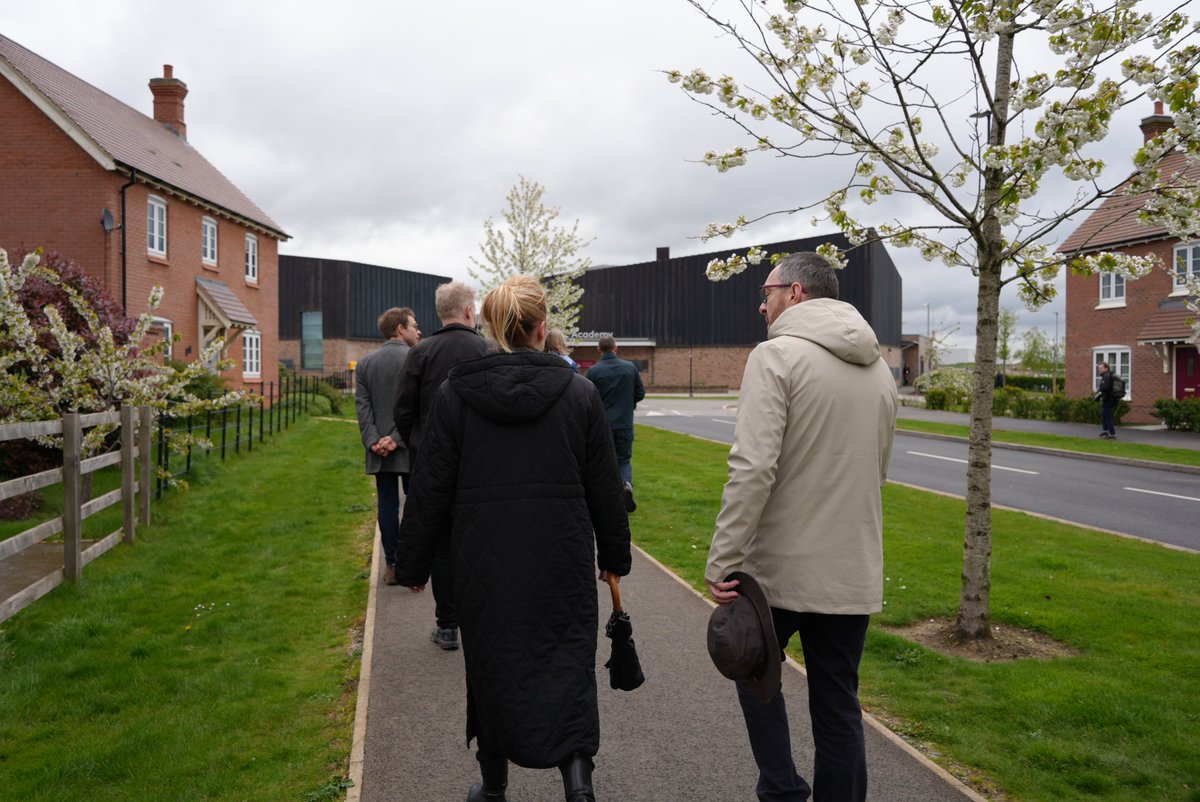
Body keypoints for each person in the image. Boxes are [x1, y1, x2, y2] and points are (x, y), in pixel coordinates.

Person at [394, 275, 631, 802]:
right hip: (562, 558)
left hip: (485, 562)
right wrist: (614, 557)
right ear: (543, 328)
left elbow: (430, 486)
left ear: (492, 327)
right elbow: (605, 488)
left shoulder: (457, 394)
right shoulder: (580, 393)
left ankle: (494, 784)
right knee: (567, 663)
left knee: (493, 665)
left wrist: (412, 566)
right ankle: (578, 782)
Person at [706, 252, 898, 802]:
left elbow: (752, 468)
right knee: (838, 701)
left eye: (765, 292)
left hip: (780, 570)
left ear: (794, 292)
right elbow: (878, 467)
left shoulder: (776, 357)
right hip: (851, 566)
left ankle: (782, 790)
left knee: (752, 671)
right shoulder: (879, 366)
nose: (759, 304)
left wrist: (723, 560)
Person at [394, 281, 489, 650]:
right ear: (469, 311)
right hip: (480, 464)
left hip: (431, 465)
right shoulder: (487, 350)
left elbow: (403, 410)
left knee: (443, 544)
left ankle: (448, 624)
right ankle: (481, 620)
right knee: (483, 542)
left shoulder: (421, 353)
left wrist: (419, 441)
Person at [354, 307, 420, 586]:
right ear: (400, 329)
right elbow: (418, 405)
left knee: (387, 505)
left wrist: (374, 440)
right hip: (410, 446)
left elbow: (362, 406)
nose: (419, 330)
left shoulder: (366, 363)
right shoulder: (416, 358)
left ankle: (391, 565)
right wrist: (397, 437)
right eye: (414, 325)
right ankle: (412, 565)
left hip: (379, 450)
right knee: (415, 506)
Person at [585, 334, 645, 513]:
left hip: (603, 425)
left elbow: (589, 398)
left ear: (599, 350)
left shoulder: (594, 371)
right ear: (615, 348)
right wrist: (628, 403)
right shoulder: (629, 368)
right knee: (624, 459)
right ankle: (626, 485)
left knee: (604, 461)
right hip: (624, 423)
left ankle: (608, 497)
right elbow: (640, 393)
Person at [1096, 361, 1117, 438]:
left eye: (1101, 368)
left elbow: (1105, 388)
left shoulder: (1106, 376)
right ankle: (1106, 431)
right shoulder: (1108, 375)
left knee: (1108, 416)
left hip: (1109, 399)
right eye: (1099, 368)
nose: (1099, 370)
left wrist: (1097, 396)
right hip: (1110, 398)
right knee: (1105, 415)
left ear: (1106, 368)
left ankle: (1111, 434)